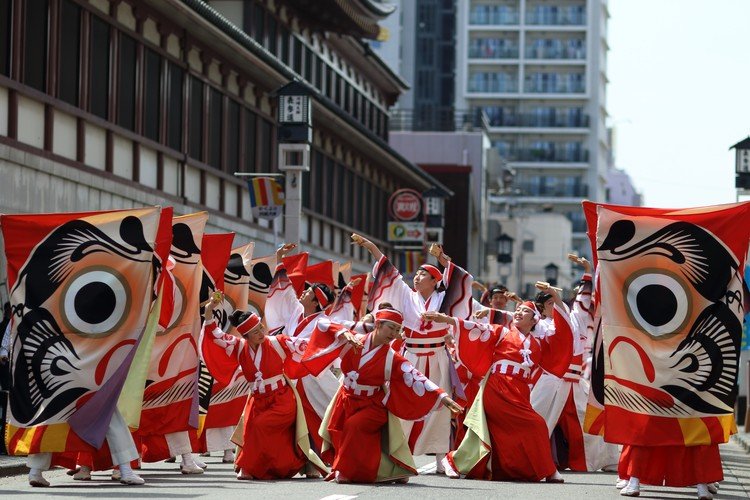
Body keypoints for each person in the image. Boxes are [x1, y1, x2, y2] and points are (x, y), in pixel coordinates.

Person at [424, 284, 574, 482]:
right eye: (518, 310)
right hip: (498, 387)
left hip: (520, 390)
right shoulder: (502, 332)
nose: (519, 313)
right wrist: (447, 319)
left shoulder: (540, 341)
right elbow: (477, 328)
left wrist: (554, 294)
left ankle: (461, 462)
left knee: (501, 434)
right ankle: (549, 471)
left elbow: (563, 331)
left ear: (534, 319)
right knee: (536, 424)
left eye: (525, 311)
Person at [351, 233, 472, 473]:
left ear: (435, 280)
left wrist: (443, 259)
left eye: (423, 275)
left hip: (437, 355)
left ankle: (440, 460)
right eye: (416, 274)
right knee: (403, 399)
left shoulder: (443, 298)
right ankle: (399, 454)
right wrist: (372, 247)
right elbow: (390, 272)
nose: (416, 278)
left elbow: (461, 280)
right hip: (412, 355)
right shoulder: (407, 296)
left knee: (440, 405)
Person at [302, 308, 463, 483]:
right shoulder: (350, 341)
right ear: (378, 324)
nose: (394, 334)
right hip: (346, 399)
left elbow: (415, 376)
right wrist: (341, 332)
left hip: (372, 404)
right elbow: (322, 324)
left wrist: (442, 396)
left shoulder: (391, 357)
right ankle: (376, 470)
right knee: (338, 431)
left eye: (397, 330)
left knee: (354, 426)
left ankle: (344, 470)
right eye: (391, 328)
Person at [199, 292, 326, 480]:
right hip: (257, 400)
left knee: (259, 425)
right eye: (255, 331)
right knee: (252, 430)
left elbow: (308, 345)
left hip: (282, 398)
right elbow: (215, 334)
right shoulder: (238, 347)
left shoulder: (277, 342)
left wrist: (336, 337)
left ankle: (248, 467)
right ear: (245, 335)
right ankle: (295, 462)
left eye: (261, 327)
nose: (261, 332)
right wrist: (209, 310)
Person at [530, 256, 620, 473]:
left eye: (555, 301)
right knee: (539, 419)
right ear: (541, 309)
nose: (555, 306)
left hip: (576, 382)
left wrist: (588, 270)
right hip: (551, 381)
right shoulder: (541, 326)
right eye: (549, 303)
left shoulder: (573, 320)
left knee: (587, 421)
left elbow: (583, 301)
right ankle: (532, 459)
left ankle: (600, 460)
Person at [263, 243, 348, 455]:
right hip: (288, 372)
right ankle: (292, 457)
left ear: (316, 302)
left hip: (310, 376)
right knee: (286, 417)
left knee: (316, 413)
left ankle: (319, 456)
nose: (303, 294)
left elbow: (336, 331)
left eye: (308, 292)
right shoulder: (297, 311)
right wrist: (279, 259)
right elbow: (285, 292)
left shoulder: (322, 322)